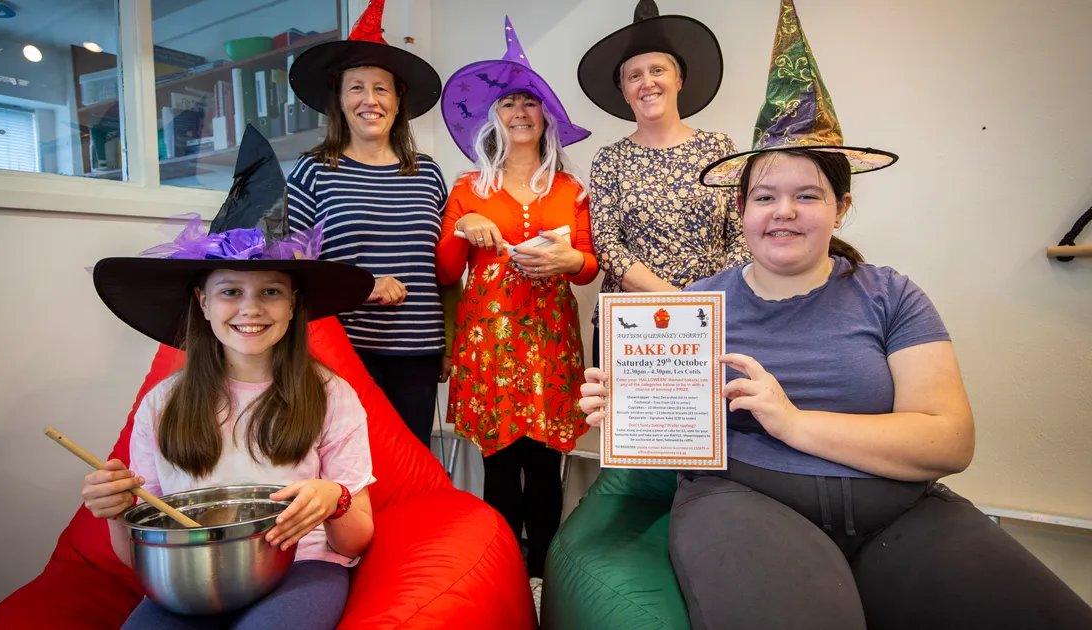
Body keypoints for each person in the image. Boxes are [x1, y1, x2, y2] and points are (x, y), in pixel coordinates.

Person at [578, 2, 1092, 628]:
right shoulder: (698, 310)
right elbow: (680, 425)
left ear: (841, 206)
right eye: (765, 196)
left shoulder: (890, 294)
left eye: (808, 195)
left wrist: (792, 422)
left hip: (903, 512)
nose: (784, 212)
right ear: (741, 209)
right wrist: (637, 409)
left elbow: (949, 440)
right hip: (747, 500)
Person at [83, 127, 378, 629]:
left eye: (270, 292)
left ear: (293, 307)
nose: (250, 309)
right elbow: (136, 557)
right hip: (191, 574)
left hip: (301, 566)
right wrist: (117, 510)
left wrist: (336, 499)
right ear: (202, 301)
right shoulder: (162, 405)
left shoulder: (331, 396)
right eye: (230, 292)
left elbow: (353, 539)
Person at [435, 17, 595, 586]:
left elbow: (588, 267)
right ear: (493, 118)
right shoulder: (466, 188)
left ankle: (547, 569)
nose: (520, 113)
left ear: (546, 114)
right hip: (490, 344)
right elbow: (447, 271)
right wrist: (464, 225)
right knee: (500, 463)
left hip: (549, 342)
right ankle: (502, 569)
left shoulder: (570, 189)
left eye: (530, 102)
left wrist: (571, 260)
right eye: (509, 105)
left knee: (546, 462)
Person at [286, 0, 455, 447]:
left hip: (419, 348)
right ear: (339, 102)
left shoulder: (429, 173)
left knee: (413, 464)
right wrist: (361, 285)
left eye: (381, 89)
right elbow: (292, 266)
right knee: (352, 466)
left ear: (399, 102)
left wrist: (450, 339)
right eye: (356, 88)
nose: (369, 100)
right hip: (342, 350)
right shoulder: (313, 171)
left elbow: (446, 267)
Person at [576, 0, 750, 365]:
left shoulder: (719, 148)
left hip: (712, 319)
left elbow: (743, 234)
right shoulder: (610, 159)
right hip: (630, 323)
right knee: (633, 423)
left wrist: (709, 301)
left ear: (679, 79)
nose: (647, 82)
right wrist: (680, 301)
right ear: (623, 90)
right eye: (633, 75)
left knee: (706, 421)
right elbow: (607, 245)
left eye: (658, 70)